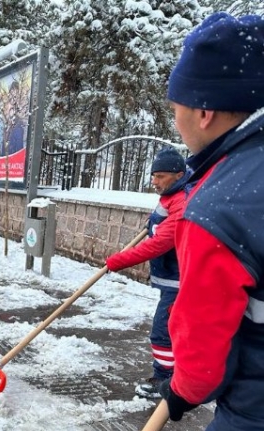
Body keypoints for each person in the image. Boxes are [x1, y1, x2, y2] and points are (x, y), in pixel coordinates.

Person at [155, 13, 264, 429]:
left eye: (176, 106)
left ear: (203, 111)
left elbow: (202, 365)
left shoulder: (217, 207)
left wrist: (181, 391)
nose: (176, 118)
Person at [105, 147, 189, 398]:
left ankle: (164, 381)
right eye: (153, 175)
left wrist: (117, 261)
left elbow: (158, 244)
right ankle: (178, 376)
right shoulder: (170, 195)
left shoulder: (183, 202)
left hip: (180, 281)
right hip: (172, 278)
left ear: (179, 175)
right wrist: (151, 222)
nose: (154, 181)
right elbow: (158, 221)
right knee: (173, 331)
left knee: (163, 332)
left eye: (160, 176)